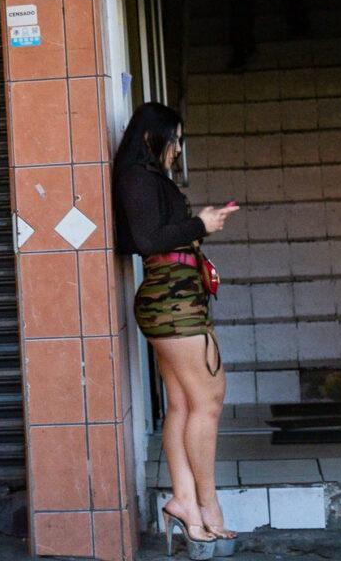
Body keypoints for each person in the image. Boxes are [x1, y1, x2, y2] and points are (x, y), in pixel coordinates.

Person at [113, 102, 240, 561]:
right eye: (175, 139)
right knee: (209, 400)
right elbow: (146, 241)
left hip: (175, 301)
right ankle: (207, 505)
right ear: (154, 138)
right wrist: (198, 224)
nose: (178, 149)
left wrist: (196, 227)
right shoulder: (138, 179)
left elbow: (147, 235)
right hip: (173, 306)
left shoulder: (145, 180)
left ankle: (184, 501)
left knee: (185, 404)